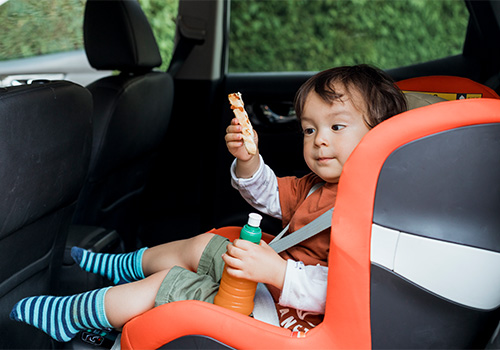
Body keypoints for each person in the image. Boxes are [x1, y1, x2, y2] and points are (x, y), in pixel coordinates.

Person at [9, 64, 407, 342]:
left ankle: (74, 316)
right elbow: (268, 194)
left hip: (288, 317)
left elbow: (354, 291)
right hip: (270, 282)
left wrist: (278, 274)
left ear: (381, 136)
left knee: (170, 284)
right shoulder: (317, 185)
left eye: (336, 127)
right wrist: (248, 160)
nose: (319, 139)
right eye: (309, 128)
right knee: (202, 245)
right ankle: (119, 266)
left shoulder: (372, 211)